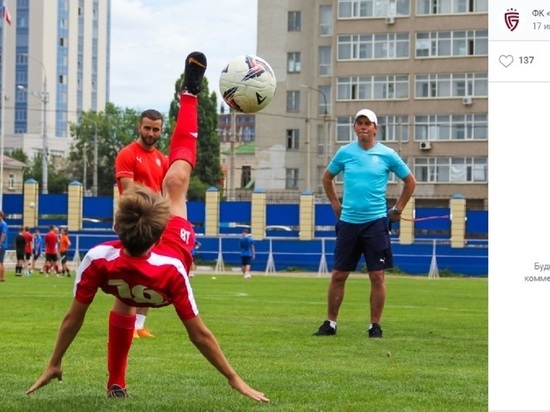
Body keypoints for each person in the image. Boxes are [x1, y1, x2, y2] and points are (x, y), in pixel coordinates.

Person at [25, 51, 269, 403]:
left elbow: (71, 320)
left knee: (124, 297)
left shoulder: (97, 258)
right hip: (164, 247)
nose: (152, 132)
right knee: (178, 182)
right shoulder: (172, 271)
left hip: (134, 241)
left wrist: (54, 361)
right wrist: (235, 379)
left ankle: (116, 383)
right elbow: (199, 335)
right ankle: (190, 93)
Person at [313, 109, 416, 338]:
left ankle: (374, 326)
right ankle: (330, 323)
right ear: (354, 128)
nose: (363, 127)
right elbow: (327, 178)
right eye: (359, 123)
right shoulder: (345, 152)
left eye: (367, 123)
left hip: (376, 224)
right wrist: (335, 205)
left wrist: (397, 209)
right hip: (349, 223)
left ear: (375, 128)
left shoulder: (387, 154)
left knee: (377, 276)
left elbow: (410, 181)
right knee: (338, 275)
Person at [115, 105, 169, 339]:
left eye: (156, 129)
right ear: (139, 127)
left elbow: (164, 193)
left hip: (154, 224)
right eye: (147, 128)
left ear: (161, 130)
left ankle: (139, 325)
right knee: (129, 274)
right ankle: (126, 323)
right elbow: (129, 192)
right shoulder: (127, 154)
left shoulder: (162, 159)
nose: (151, 133)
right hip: (134, 222)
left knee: (150, 274)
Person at [0, 211, 8, 282]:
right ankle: (2, 277)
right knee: (1, 262)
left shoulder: (3, 224)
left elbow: (3, 233)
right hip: (2, 245)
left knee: (0, 262)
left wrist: (0, 243)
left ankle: (1, 277)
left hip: (1, 245)